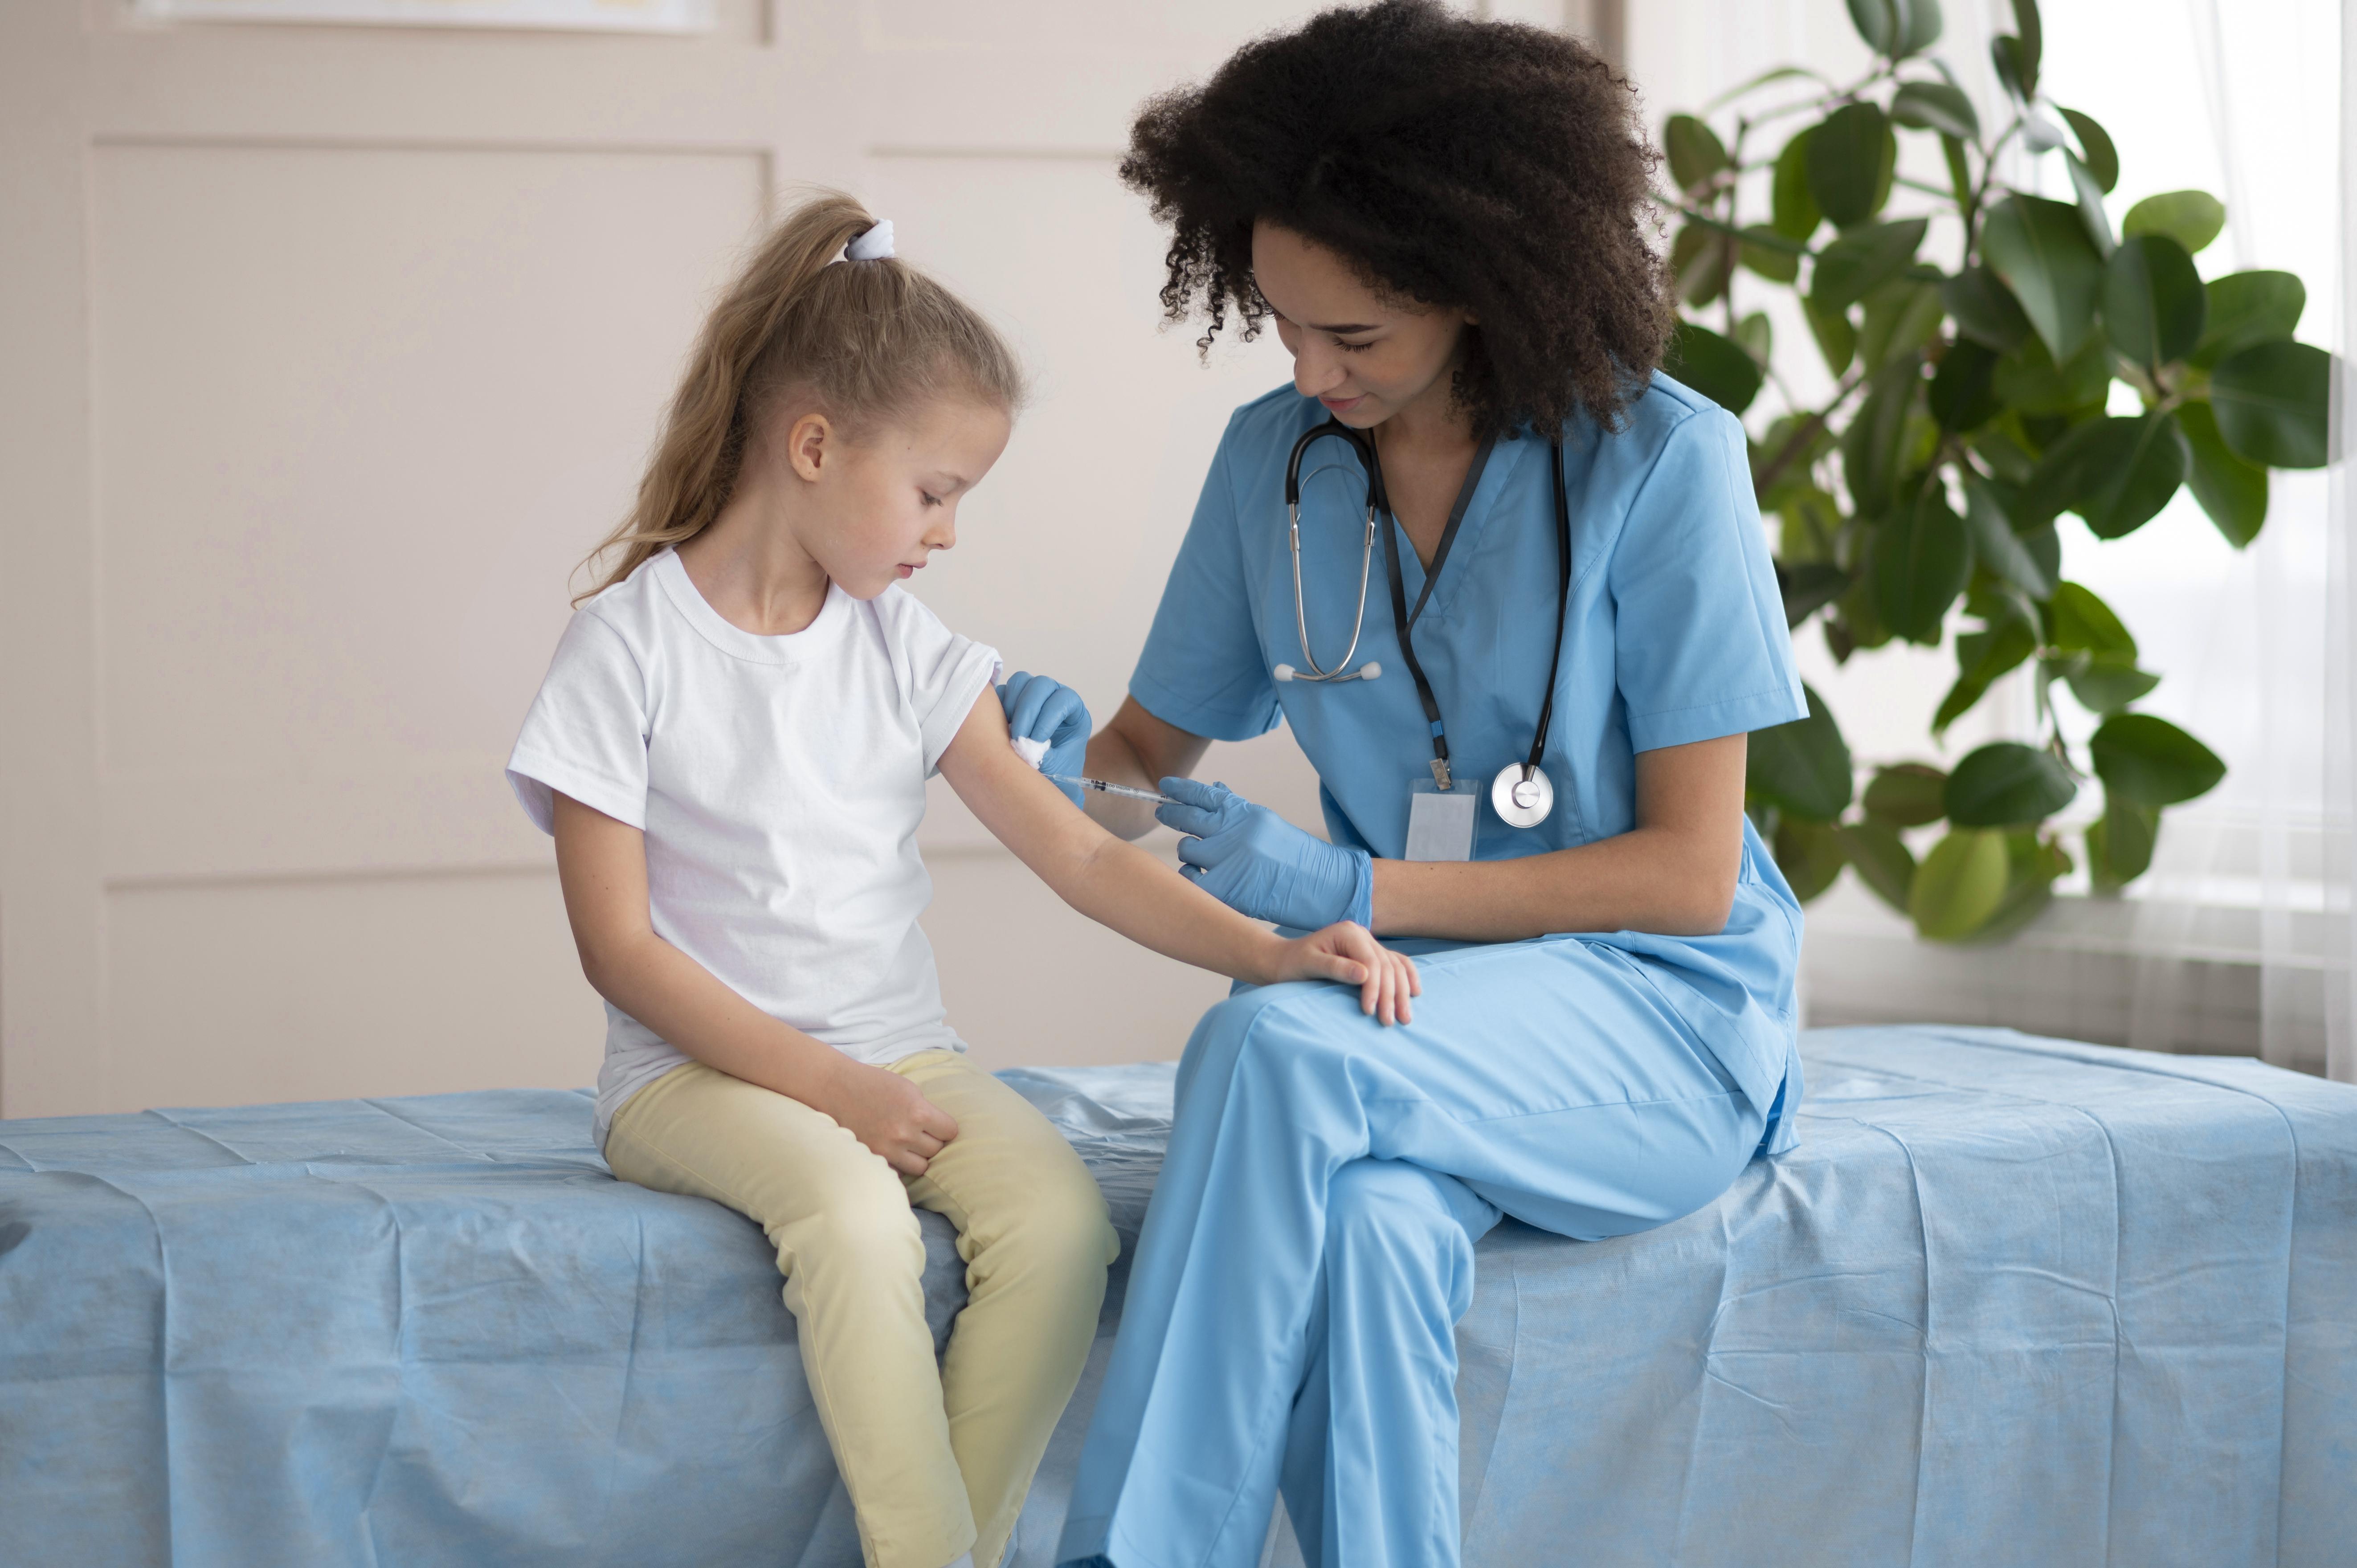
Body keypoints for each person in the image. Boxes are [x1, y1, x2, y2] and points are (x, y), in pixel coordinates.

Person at [996, 8, 1811, 1567]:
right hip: (1410, 1014)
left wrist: (1354, 890)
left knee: (1270, 1050)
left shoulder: (1664, 466)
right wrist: (1022, 751)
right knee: (1366, 1233)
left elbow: (1687, 878)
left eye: (1351, 339)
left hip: (1656, 1017)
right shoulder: (1273, 467)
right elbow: (1142, 762)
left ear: (1477, 287)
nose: (1309, 371)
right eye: (1282, 327)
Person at [504, 192, 1419, 1568]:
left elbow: (1076, 854)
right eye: (933, 494)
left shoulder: (907, 648)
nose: (944, 535)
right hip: (690, 1080)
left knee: (1060, 1227)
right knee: (857, 1225)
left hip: (903, 1057)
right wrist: (832, 1092)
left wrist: (1274, 946)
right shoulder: (624, 651)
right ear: (813, 446)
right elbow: (621, 953)